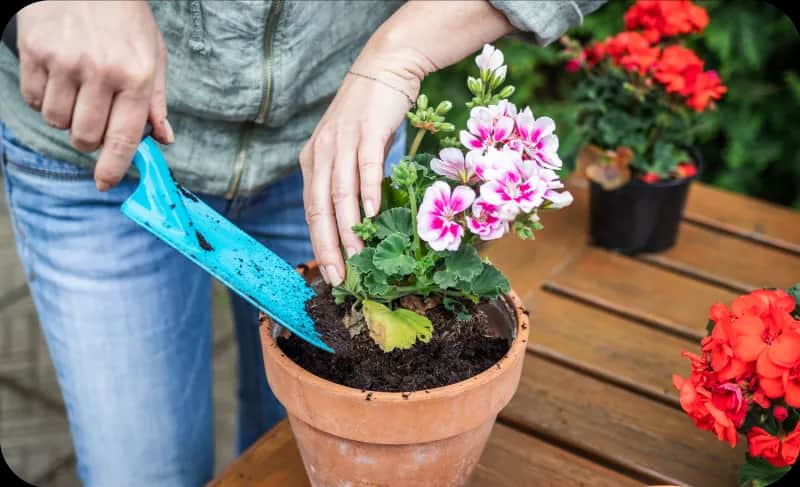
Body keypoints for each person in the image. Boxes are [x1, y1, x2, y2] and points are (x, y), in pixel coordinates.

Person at [0, 1, 603, 485]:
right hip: (100, 134)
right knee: (145, 469)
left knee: (289, 452)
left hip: (338, 139)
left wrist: (401, 53)